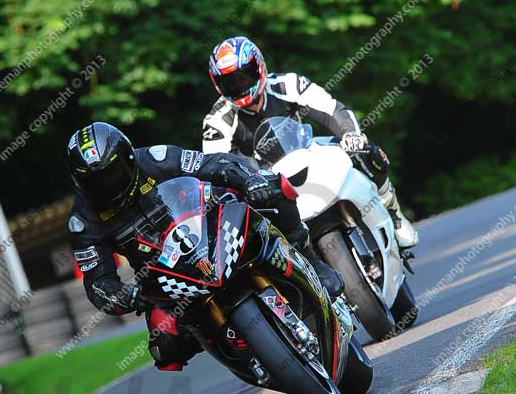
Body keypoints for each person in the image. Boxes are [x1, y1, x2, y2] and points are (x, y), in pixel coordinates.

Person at [67, 122, 344, 371]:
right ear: (80, 183)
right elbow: (97, 282)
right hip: (163, 276)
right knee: (166, 347)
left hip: (211, 227)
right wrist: (124, 296)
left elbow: (213, 163)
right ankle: (237, 348)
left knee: (272, 189)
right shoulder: (83, 222)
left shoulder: (154, 158)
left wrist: (249, 180)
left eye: (114, 173)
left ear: (129, 157)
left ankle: (311, 260)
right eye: (96, 182)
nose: (109, 185)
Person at [202, 35, 418, 249]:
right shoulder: (216, 121)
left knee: (367, 153)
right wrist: (247, 184)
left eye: (244, 77)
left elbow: (331, 109)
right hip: (264, 180)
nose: (239, 86)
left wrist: (351, 134)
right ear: (218, 86)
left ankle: (394, 214)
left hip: (305, 151)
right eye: (230, 83)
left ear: (259, 68)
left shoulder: (286, 84)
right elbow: (218, 168)